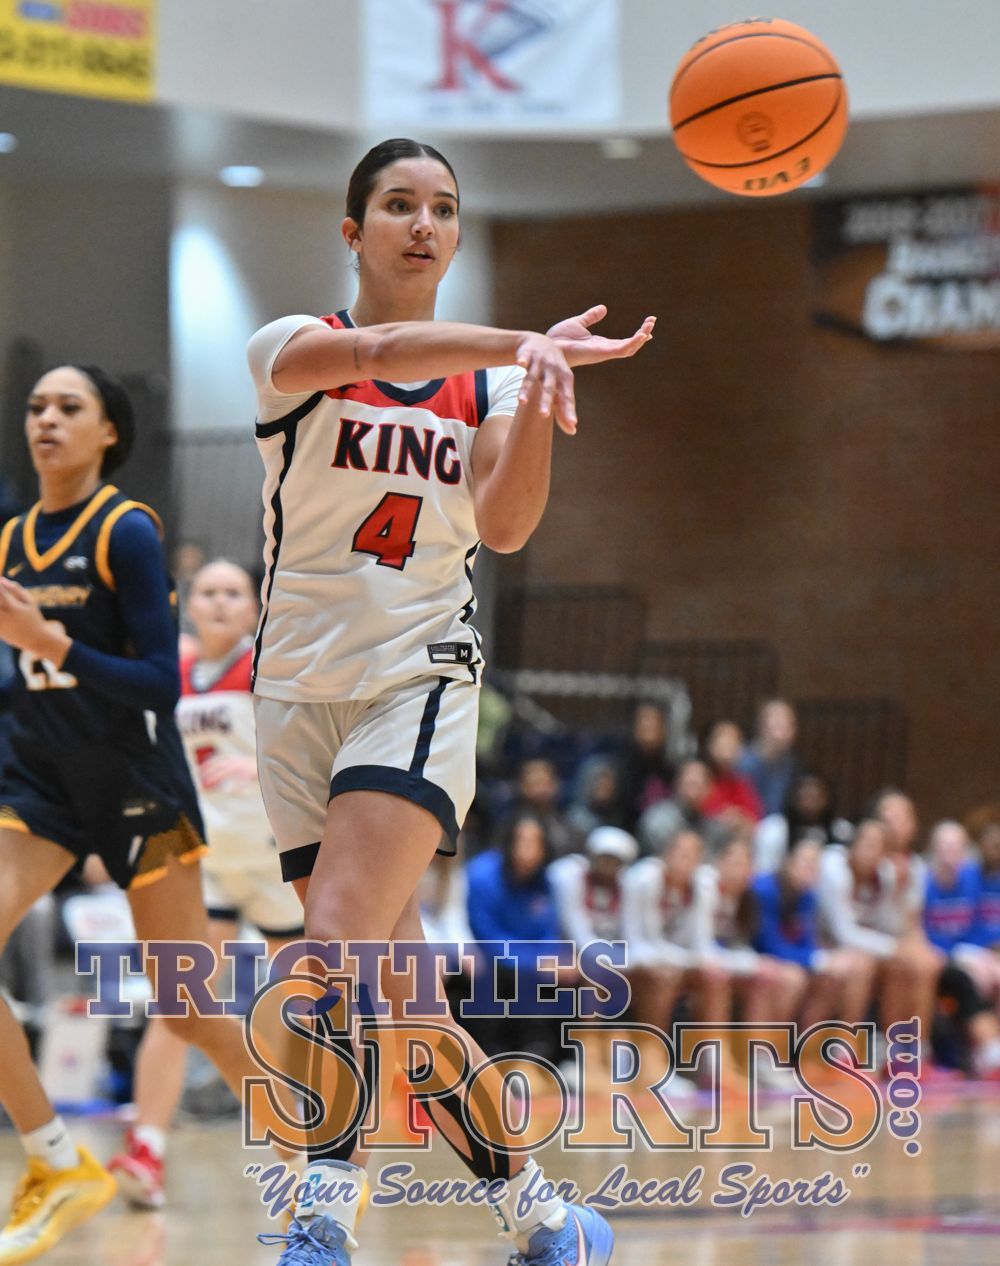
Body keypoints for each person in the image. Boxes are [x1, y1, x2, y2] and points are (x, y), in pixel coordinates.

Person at [246, 137, 654, 1266]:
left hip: (418, 679)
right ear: (352, 230)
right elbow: (377, 346)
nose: (422, 224)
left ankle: (322, 1209)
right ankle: (541, 1219)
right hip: (293, 689)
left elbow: (507, 524)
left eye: (442, 208)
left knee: (329, 944)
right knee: (409, 998)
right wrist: (524, 341)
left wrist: (532, 398)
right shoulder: (294, 348)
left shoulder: (494, 380)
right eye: (396, 204)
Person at [0, 366, 299, 1263]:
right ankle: (56, 1161)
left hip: (136, 783)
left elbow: (156, 684)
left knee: (190, 1007)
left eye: (69, 409)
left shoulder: (126, 531)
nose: (47, 420)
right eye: (37, 408)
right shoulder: (11, 537)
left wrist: (52, 642)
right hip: (41, 783)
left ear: (109, 435)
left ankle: (302, 1149)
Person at [107, 559, 306, 1208]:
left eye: (234, 593)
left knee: (301, 1013)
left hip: (280, 860)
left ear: (254, 608)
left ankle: (307, 1163)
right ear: (188, 606)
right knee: (179, 1002)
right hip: (211, 860)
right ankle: (148, 1151)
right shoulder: (173, 675)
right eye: (208, 593)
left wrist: (256, 768)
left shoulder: (274, 666)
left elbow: (311, 754)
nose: (220, 603)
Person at [638, 757, 731, 857]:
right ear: (677, 784)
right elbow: (666, 859)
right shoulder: (658, 819)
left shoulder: (711, 825)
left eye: (699, 785)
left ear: (709, 789)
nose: (694, 792)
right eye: (689, 784)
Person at [737, 698, 802, 817]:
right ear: (761, 726)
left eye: (787, 726)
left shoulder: (792, 765)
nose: (780, 734)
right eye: (776, 725)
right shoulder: (742, 761)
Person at [618, 700, 674, 829]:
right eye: (644, 722)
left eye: (654, 723)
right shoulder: (620, 766)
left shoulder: (669, 769)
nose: (649, 728)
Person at [702, 719, 763, 823]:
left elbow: (755, 818)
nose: (728, 745)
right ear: (710, 744)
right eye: (722, 739)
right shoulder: (699, 777)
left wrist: (738, 819)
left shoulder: (742, 783)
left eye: (734, 740)